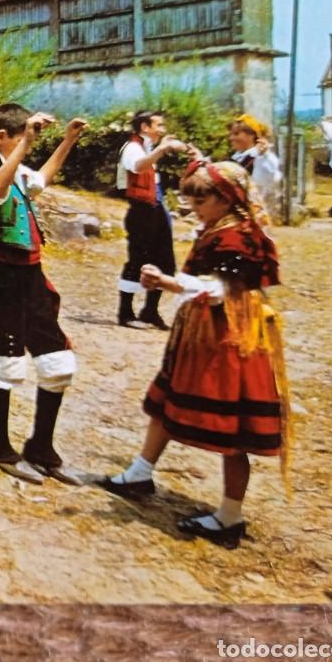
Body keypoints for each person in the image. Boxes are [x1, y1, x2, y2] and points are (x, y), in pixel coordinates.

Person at [98, 159, 287, 549]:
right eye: (192, 199)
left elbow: (223, 290)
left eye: (203, 199)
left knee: (233, 430)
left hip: (229, 339)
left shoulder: (237, 236)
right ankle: (140, 472)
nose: (195, 206)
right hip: (204, 334)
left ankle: (229, 516)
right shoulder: (222, 228)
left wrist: (168, 282)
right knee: (166, 401)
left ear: (228, 198)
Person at [0, 103, 87, 484]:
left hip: (31, 277)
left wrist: (68, 140)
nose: (28, 144)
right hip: (3, 279)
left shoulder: (16, 169)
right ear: (3, 137)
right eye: (22, 138)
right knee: (6, 363)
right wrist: (25, 146)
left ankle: (42, 445)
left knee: (58, 362)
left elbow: (41, 180)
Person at [116, 110, 187, 330]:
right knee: (137, 261)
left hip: (155, 208)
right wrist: (163, 148)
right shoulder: (132, 148)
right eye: (159, 125)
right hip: (141, 211)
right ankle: (125, 313)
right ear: (145, 127)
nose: (162, 129)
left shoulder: (147, 148)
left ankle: (150, 310)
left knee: (165, 260)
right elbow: (138, 166)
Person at [227, 114, 282, 222]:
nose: (231, 138)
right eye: (231, 134)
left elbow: (268, 180)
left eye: (236, 134)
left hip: (251, 216)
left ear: (251, 135)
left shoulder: (263, 159)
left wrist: (263, 156)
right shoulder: (237, 158)